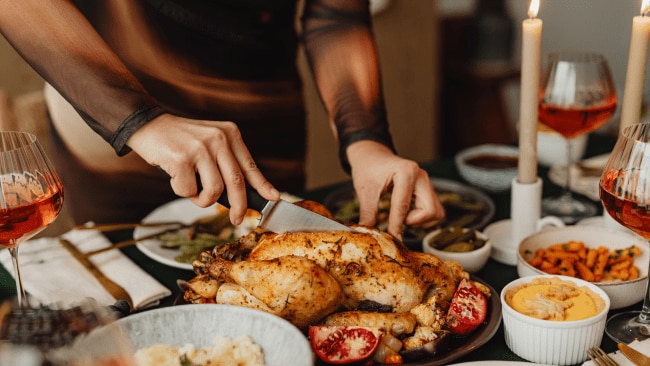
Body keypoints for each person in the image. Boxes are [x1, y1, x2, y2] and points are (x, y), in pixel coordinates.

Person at [0, 0, 444, 240]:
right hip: (111, 116)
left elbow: (336, 12)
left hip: (261, 121)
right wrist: (141, 121)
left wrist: (365, 139)